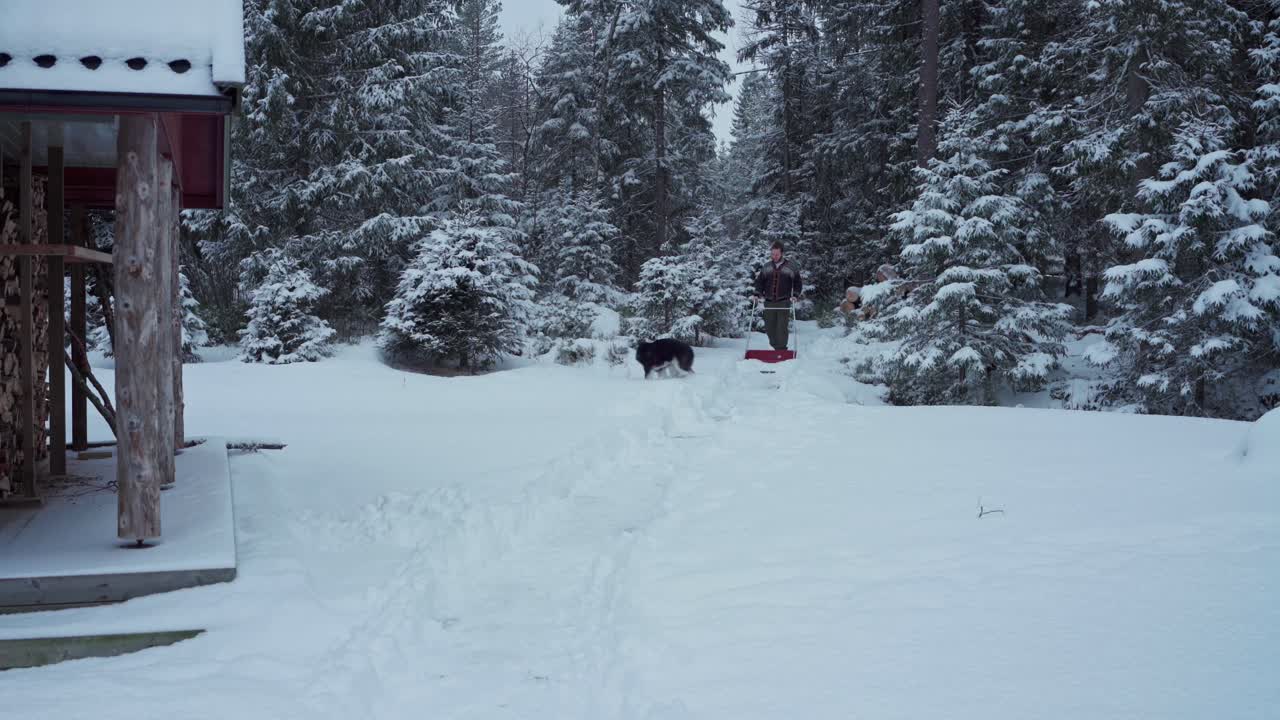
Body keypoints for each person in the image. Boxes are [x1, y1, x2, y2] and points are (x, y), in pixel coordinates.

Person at [752, 240, 802, 351]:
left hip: (783, 301)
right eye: (772, 254)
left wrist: (795, 295)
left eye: (777, 254)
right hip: (769, 301)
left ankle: (781, 349)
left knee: (781, 327)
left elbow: (798, 282)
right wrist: (757, 293)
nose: (774, 256)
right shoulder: (767, 266)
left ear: (782, 253)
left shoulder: (790, 267)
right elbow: (760, 281)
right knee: (769, 327)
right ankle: (776, 347)